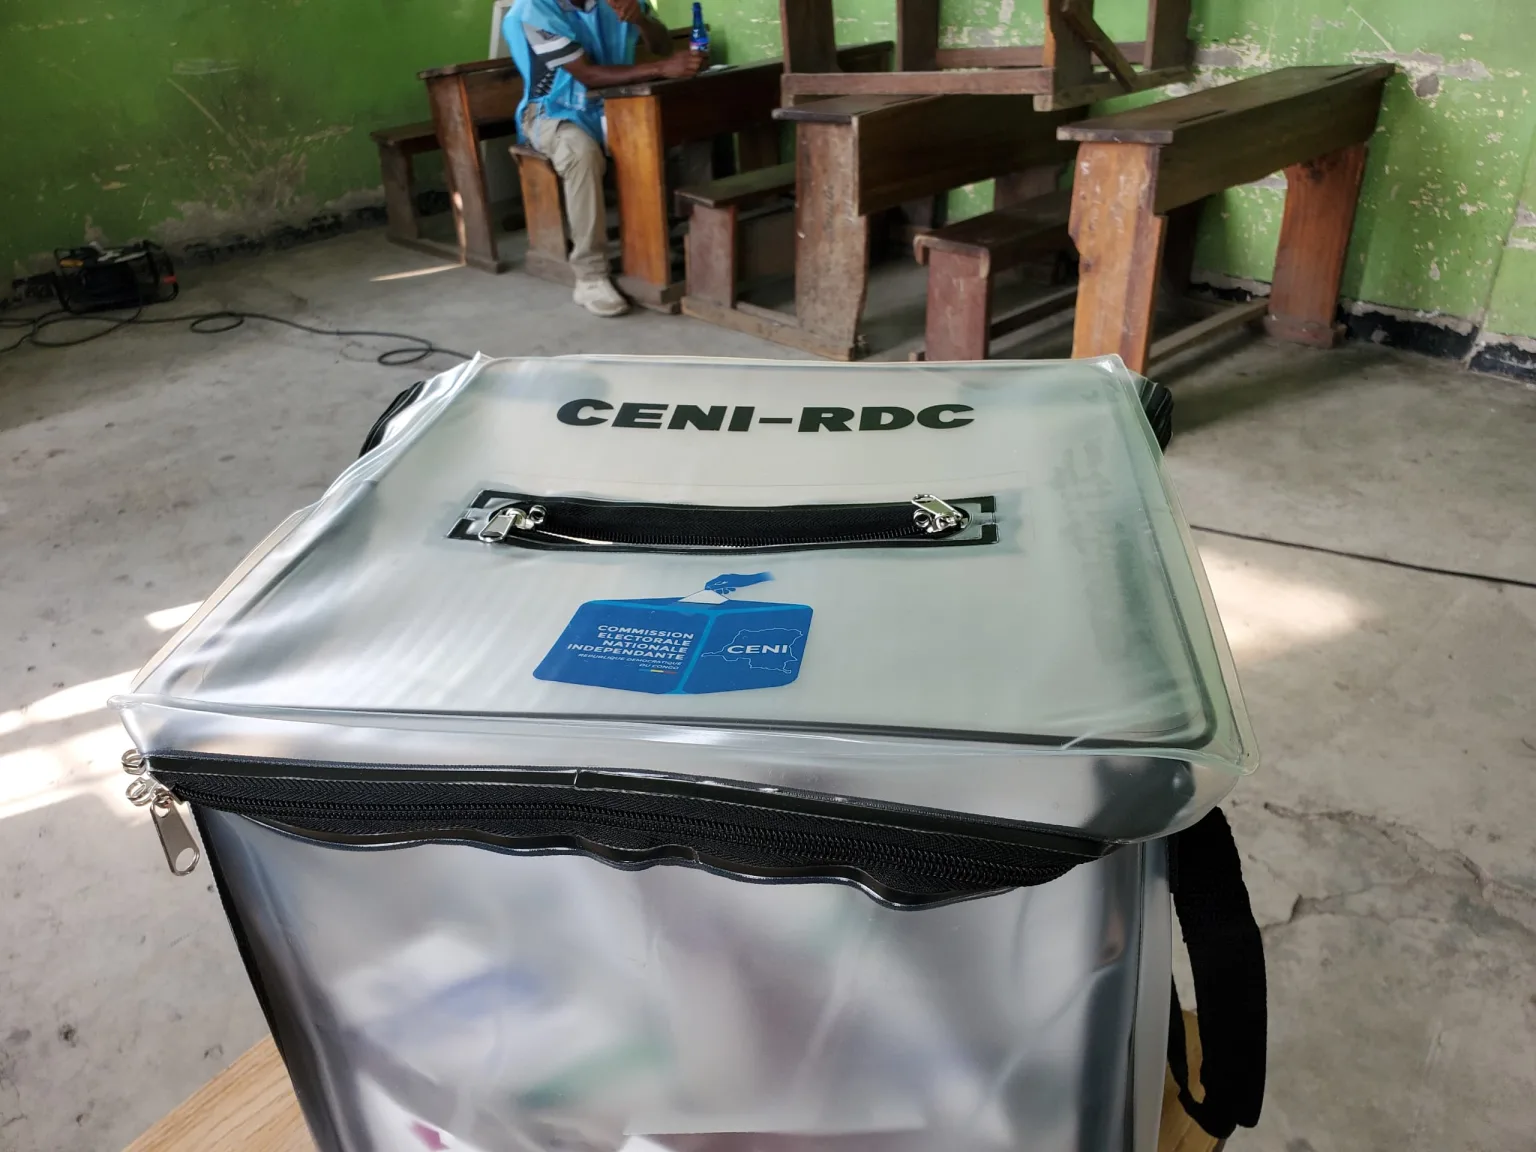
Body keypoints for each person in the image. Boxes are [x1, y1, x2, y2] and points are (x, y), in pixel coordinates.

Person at [508, 0, 704, 317]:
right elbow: (586, 74)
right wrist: (660, 69)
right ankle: (590, 275)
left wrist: (641, 19)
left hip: (615, 102)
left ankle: (670, 244)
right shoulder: (532, 10)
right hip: (552, 111)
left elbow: (662, 45)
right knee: (580, 153)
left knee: (684, 127)